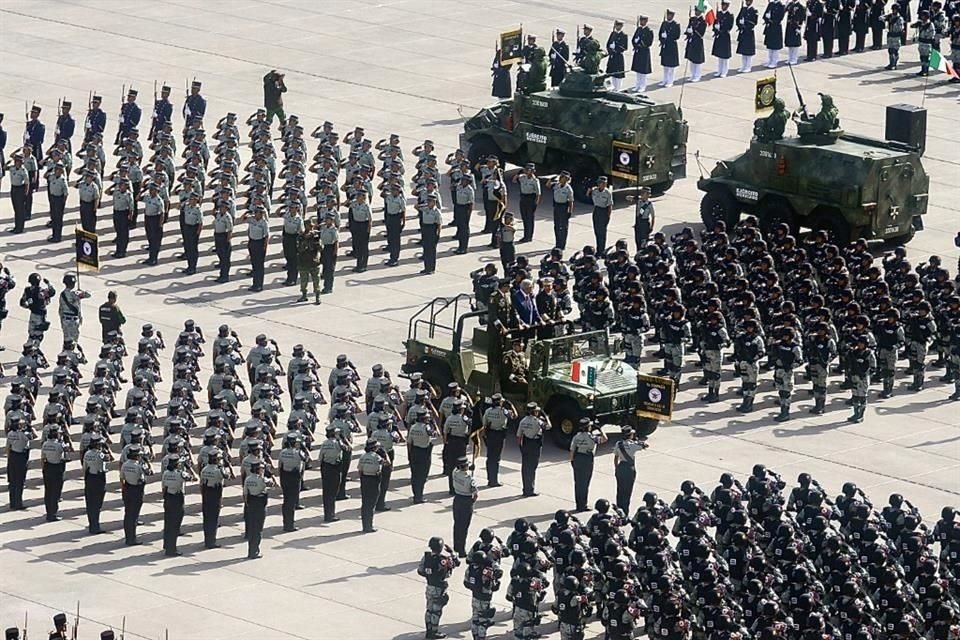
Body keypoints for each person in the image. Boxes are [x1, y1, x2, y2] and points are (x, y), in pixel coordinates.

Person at [418, 536, 459, 639]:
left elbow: (420, 570)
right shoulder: (443, 560)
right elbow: (456, 563)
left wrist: (429, 575)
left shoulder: (426, 557)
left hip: (429, 586)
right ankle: (434, 631)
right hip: (439, 587)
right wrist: (452, 553)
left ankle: (428, 630)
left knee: (429, 609)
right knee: (436, 611)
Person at [569, 418, 607, 512]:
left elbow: (572, 450)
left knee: (578, 483)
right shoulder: (592, 437)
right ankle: (583, 505)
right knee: (585, 483)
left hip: (577, 459)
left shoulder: (576, 436)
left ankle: (579, 505)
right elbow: (605, 439)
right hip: (587, 460)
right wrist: (600, 429)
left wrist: (572, 461)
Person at [517, 402, 551, 497]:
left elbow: (519, 436)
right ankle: (530, 490)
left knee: (525, 468)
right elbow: (548, 426)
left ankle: (525, 489)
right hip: (535, 445)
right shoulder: (537, 421)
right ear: (534, 412)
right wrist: (546, 417)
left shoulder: (523, 421)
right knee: (532, 468)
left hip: (526, 444)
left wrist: (521, 447)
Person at [481, 394, 515, 488]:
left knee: (490, 458)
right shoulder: (503, 411)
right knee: (496, 459)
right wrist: (511, 405)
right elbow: (514, 416)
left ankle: (490, 479)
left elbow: (484, 426)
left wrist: (485, 437)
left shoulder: (488, 411)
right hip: (499, 435)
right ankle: (494, 481)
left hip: (490, 434)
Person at [772, 328, 804, 422]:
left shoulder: (795, 347)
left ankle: (785, 413)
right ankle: (782, 410)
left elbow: (800, 361)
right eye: (783, 335)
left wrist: (790, 366)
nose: (785, 337)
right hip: (778, 370)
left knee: (786, 392)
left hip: (787, 372)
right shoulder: (778, 344)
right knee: (781, 391)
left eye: (787, 335)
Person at [613, 427, 648, 513]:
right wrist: (637, 441)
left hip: (621, 467)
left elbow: (616, 457)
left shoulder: (618, 444)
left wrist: (617, 468)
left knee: (620, 490)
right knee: (627, 491)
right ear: (630, 435)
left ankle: (619, 510)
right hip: (629, 468)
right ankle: (625, 512)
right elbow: (645, 445)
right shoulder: (633, 445)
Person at [358, 439, 388, 533]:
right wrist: (385, 453)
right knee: (371, 504)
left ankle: (365, 525)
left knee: (365, 503)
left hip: (365, 479)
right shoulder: (377, 457)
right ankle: (369, 526)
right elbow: (387, 463)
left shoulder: (362, 457)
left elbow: (360, 470)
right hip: (374, 480)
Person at [82, 432, 110, 534]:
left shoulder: (87, 454)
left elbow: (84, 467)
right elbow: (108, 460)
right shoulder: (100, 454)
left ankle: (92, 524)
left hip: (89, 478)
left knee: (90, 504)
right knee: (97, 504)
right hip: (98, 479)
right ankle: (95, 526)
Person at [278, 432, 306, 532]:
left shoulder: (282, 452)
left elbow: (280, 466)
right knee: (292, 502)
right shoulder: (298, 453)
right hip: (294, 477)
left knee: (286, 501)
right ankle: (289, 524)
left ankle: (286, 522)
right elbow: (306, 459)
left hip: (285, 477)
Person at [452, 456, 478, 557]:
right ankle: (462, 550)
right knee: (464, 527)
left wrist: (468, 469)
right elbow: (475, 494)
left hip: (457, 499)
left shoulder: (455, 473)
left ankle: (456, 546)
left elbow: (458, 469)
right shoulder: (470, 479)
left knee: (457, 524)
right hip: (466, 502)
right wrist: (472, 502)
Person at [199, 448, 226, 548]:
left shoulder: (204, 469)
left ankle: (207, 540)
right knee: (213, 519)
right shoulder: (218, 470)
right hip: (215, 494)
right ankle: (211, 541)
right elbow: (226, 476)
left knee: (206, 518)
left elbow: (201, 484)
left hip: (206, 494)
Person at [120, 444, 147, 545]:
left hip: (127, 489)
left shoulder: (125, 465)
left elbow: (122, 478)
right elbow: (148, 473)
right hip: (136, 490)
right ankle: (132, 539)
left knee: (128, 515)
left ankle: (128, 537)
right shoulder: (139, 466)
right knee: (134, 515)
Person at [20, 272, 56, 345]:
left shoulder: (27, 290)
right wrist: (48, 283)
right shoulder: (42, 291)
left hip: (33, 314)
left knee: (31, 334)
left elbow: (22, 302)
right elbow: (52, 292)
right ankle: (34, 349)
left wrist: (29, 306)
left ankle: (29, 347)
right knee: (39, 335)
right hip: (41, 315)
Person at [243, 459, 269, 559]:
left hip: (251, 503)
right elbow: (273, 484)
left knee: (252, 528)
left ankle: (251, 550)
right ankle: (255, 551)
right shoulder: (261, 479)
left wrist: (248, 504)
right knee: (258, 529)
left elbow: (245, 494)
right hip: (260, 503)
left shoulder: (248, 479)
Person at [41, 426, 68, 522]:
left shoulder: (45, 444)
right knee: (56, 492)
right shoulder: (59, 445)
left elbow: (42, 458)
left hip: (47, 467)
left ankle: (49, 512)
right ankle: (53, 513)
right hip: (57, 468)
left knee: (48, 491)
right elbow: (66, 452)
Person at [161, 457, 186, 556]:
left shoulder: (165, 473)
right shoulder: (180, 474)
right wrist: (187, 468)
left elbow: (163, 487)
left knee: (168, 523)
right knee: (175, 525)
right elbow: (193, 477)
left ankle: (167, 545)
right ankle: (172, 549)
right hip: (177, 498)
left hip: (168, 497)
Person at [240, 206, 269, 292]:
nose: (256, 214)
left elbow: (266, 237)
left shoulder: (264, 223)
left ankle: (259, 285)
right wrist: (246, 213)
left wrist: (264, 248)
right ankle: (255, 284)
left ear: (262, 214)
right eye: (255, 212)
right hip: (252, 242)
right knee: (254, 264)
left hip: (260, 243)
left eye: (258, 212)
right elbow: (242, 219)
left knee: (259, 266)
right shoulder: (251, 219)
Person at [296, 219, 321, 304]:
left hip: (314, 261)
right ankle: (304, 295)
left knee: (316, 280)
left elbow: (320, 248)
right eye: (309, 226)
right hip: (303, 261)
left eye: (312, 226)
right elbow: (298, 249)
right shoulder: (300, 236)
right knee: (303, 281)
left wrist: (315, 241)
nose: (311, 227)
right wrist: (305, 242)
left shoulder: (316, 236)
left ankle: (317, 296)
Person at [58, 272, 89, 343]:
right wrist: (81, 292)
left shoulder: (62, 294)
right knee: (74, 341)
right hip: (73, 320)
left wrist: (62, 320)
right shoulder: (75, 293)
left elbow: (60, 309)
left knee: (67, 341)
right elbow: (88, 294)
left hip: (65, 319)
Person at [514, 163, 541, 243]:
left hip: (531, 199)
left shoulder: (535, 180)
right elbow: (514, 180)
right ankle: (525, 235)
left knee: (529, 218)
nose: (527, 171)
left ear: (533, 171)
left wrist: (535, 203)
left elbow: (538, 193)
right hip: (523, 198)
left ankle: (528, 236)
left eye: (529, 170)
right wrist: (519, 173)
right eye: (526, 169)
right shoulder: (522, 177)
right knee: (524, 217)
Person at [140, 183, 166, 266]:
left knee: (155, 241)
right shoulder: (148, 197)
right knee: (150, 239)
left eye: (153, 190)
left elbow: (162, 213)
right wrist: (143, 190)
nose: (151, 191)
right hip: (148, 218)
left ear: (157, 191)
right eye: (150, 190)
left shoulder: (159, 201)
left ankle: (154, 259)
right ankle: (150, 258)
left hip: (155, 219)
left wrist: (160, 224)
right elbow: (137, 198)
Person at [548, 171, 574, 250]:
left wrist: (570, 211)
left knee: (563, 227)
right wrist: (550, 180)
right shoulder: (556, 185)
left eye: (564, 179)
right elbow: (548, 185)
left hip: (564, 207)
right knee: (556, 226)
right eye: (561, 178)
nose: (562, 180)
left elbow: (571, 201)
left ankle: (562, 245)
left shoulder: (568, 189)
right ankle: (557, 243)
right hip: (556, 206)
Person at [588, 176, 613, 253]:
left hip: (604, 211)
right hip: (596, 210)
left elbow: (610, 206)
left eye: (604, 183)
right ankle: (598, 247)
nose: (602, 185)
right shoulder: (595, 191)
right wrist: (589, 190)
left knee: (602, 232)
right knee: (596, 231)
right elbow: (588, 196)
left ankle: (601, 250)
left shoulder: (607, 193)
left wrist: (608, 216)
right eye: (601, 183)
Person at [46, 163, 69, 242]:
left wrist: (63, 203)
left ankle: (57, 236)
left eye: (59, 170)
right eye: (56, 170)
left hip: (59, 199)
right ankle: (54, 234)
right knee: (53, 217)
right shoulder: (52, 176)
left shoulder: (63, 180)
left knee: (58, 219)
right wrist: (50, 171)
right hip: (53, 198)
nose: (57, 171)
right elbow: (45, 176)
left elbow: (66, 193)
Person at [420, 193, 442, 275]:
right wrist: (425, 204)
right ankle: (426, 267)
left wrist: (438, 235)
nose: (429, 202)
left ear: (434, 202)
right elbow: (416, 206)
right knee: (426, 249)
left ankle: (431, 268)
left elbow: (439, 224)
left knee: (431, 251)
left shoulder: (436, 211)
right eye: (428, 201)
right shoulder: (425, 209)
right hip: (425, 229)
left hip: (432, 229)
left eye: (430, 201)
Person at [7, 155, 30, 234]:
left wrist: (25, 193)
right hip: (13, 188)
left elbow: (27, 183)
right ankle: (16, 226)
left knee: (20, 210)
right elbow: (4, 168)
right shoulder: (12, 168)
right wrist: (8, 162)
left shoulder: (23, 170)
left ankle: (20, 228)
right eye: (16, 161)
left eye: (19, 162)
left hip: (20, 189)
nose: (17, 163)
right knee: (16, 209)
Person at [180, 193, 203, 275]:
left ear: (196, 200)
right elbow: (178, 207)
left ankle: (193, 267)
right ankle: (189, 266)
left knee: (193, 249)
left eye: (193, 199)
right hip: (187, 228)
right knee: (188, 247)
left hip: (194, 229)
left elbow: (200, 223)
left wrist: (197, 233)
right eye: (190, 199)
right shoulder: (186, 207)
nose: (191, 201)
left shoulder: (198, 210)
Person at [659, 10, 682, 86]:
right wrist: (662, 38)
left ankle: (670, 81)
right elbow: (660, 33)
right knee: (665, 65)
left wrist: (668, 36)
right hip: (665, 46)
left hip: (671, 47)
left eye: (670, 15)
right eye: (668, 15)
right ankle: (665, 80)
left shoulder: (676, 25)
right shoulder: (664, 23)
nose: (668, 16)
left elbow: (677, 36)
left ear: (672, 16)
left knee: (671, 66)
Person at [685, 7, 709, 81]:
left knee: (697, 60)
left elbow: (701, 33)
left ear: (701, 12)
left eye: (698, 11)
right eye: (695, 11)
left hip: (697, 42)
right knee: (691, 59)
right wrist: (688, 31)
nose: (696, 12)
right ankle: (692, 74)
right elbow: (688, 28)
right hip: (691, 41)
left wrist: (694, 30)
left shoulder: (703, 22)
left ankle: (697, 75)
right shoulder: (692, 19)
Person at [713, 1, 736, 76]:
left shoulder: (730, 15)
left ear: (728, 6)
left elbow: (729, 26)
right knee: (719, 55)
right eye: (722, 5)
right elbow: (715, 22)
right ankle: (719, 71)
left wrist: (721, 29)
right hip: (719, 36)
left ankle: (724, 71)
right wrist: (715, 28)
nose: (723, 6)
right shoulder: (718, 14)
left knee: (725, 56)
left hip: (725, 36)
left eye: (725, 5)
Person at [737, 0, 760, 71]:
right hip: (743, 32)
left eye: (749, 1)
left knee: (748, 52)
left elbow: (754, 22)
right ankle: (743, 66)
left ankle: (748, 67)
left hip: (749, 32)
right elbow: (738, 19)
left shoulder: (754, 11)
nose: (747, 2)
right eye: (746, 1)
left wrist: (745, 23)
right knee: (743, 51)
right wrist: (740, 25)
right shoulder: (743, 9)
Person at [606, 20, 629, 90]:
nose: (617, 27)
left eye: (619, 25)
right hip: (612, 56)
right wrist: (610, 50)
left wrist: (616, 47)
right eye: (616, 25)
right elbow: (608, 44)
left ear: (621, 26)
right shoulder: (613, 34)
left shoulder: (624, 35)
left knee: (618, 74)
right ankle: (613, 87)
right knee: (612, 73)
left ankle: (618, 88)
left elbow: (625, 47)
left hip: (618, 56)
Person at [764, 0, 787, 66]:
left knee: (775, 46)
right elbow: (765, 14)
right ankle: (770, 60)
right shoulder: (771, 4)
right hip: (770, 27)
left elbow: (780, 17)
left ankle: (774, 61)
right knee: (770, 45)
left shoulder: (780, 6)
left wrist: (772, 18)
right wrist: (767, 18)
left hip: (776, 27)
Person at [914, 10, 937, 76]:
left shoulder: (930, 24)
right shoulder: (921, 23)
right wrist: (916, 24)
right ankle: (922, 69)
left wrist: (927, 36)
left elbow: (932, 34)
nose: (922, 17)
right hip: (921, 43)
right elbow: (912, 26)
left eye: (923, 16)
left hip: (927, 43)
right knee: (922, 57)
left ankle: (926, 71)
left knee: (926, 58)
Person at [885, 4, 905, 69]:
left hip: (896, 36)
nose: (894, 11)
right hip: (890, 35)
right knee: (890, 50)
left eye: (895, 9)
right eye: (893, 9)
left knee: (894, 51)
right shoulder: (890, 16)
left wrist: (893, 22)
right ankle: (891, 63)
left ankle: (894, 64)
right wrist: (886, 17)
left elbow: (900, 28)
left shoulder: (900, 18)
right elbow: (881, 18)